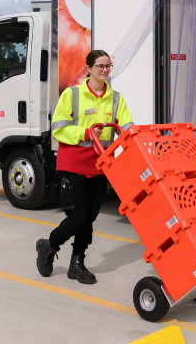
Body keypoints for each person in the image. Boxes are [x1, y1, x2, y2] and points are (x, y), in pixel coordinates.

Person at [35, 49, 134, 284]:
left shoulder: (116, 98)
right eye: (100, 66)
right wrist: (86, 132)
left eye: (108, 66)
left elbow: (128, 127)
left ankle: (76, 264)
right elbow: (59, 128)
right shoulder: (72, 94)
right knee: (79, 217)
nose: (105, 70)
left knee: (88, 218)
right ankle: (49, 245)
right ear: (88, 69)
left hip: (100, 167)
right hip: (74, 166)